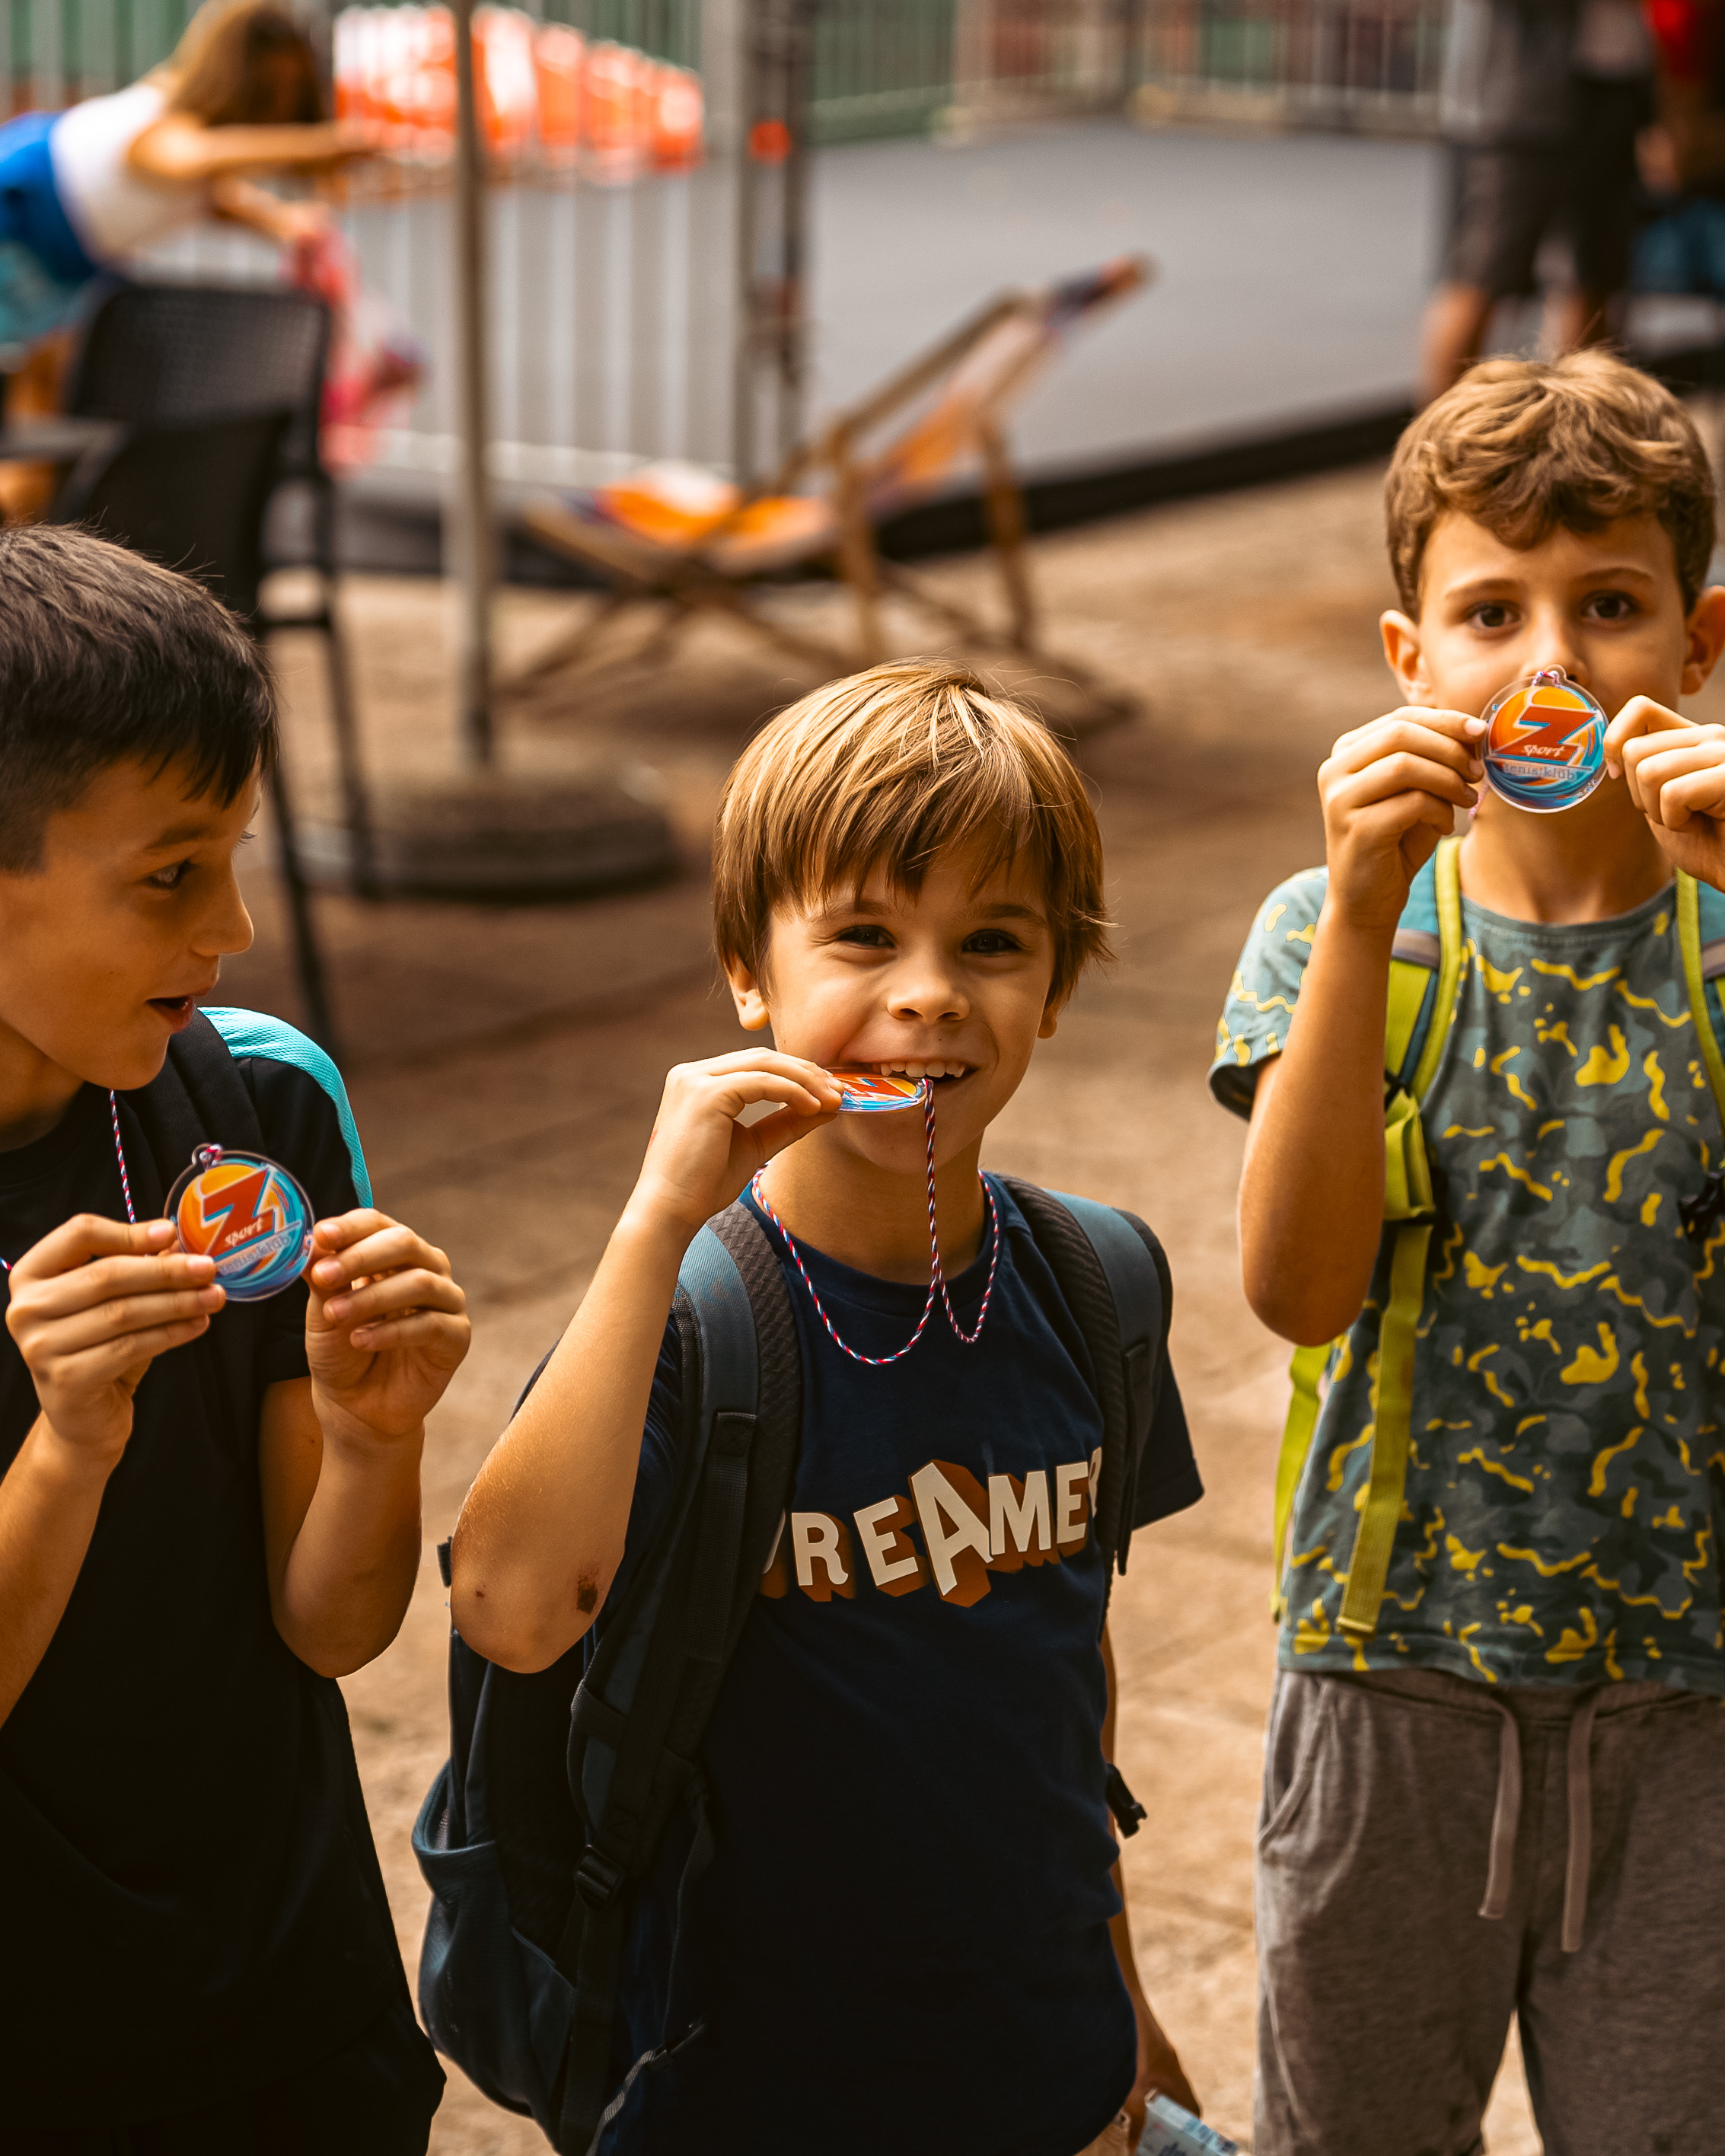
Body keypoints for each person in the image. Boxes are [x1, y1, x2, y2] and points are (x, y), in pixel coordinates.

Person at [448, 662, 1201, 2156]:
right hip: (746, 2095)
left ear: (1053, 986)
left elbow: (1063, 1672)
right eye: (862, 935)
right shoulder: (684, 1326)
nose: (928, 991)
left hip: (1046, 2076)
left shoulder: (1094, 1280)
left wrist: (1126, 2015)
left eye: (991, 941)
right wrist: (652, 1224)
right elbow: (513, 1611)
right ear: (750, 971)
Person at [1213, 349, 1725, 2154]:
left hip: (1687, 1703)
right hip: (1387, 1683)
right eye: (1485, 609)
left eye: (1606, 604)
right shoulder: (1334, 930)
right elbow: (1296, 1285)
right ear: (1404, 659)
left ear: (1696, 640)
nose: (1548, 663)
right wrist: (1356, 910)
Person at [0, 525, 469, 2151]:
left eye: (236, 856)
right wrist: (68, 1444)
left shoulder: (258, 1099)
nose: (237, 928)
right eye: (171, 874)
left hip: (290, 2008)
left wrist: (376, 1431)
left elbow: (331, 1627)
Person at [0, 0, 375, 365]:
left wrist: (280, 222)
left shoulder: (192, 155)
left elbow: (209, 196)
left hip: (58, 260)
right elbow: (189, 160)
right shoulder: (164, 128)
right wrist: (317, 146)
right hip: (20, 216)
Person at [1420, 0, 1656, 400]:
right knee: (1479, 278)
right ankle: (1435, 456)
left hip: (1618, 86)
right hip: (1517, 95)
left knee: (1595, 277)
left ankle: (1581, 449)